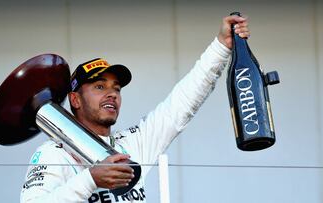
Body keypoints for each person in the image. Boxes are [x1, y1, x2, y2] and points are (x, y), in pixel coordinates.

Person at [20, 14, 250, 203]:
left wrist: (222, 46)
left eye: (116, 88)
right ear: (75, 99)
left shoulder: (132, 144)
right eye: (99, 86)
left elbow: (182, 103)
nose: (112, 93)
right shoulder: (53, 153)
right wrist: (91, 180)